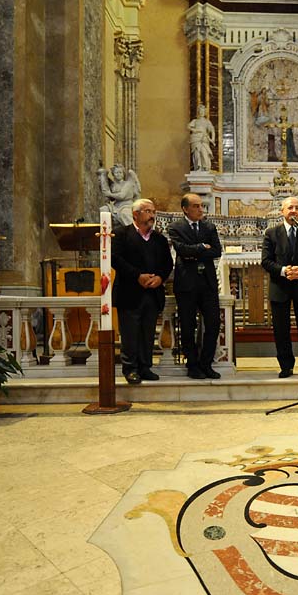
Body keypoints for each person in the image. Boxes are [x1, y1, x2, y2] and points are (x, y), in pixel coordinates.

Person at [111, 198, 173, 385]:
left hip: (152, 293)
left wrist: (160, 277)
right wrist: (137, 275)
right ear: (135, 214)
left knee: (147, 332)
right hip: (129, 292)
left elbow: (167, 263)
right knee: (130, 333)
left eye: (153, 211)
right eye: (147, 211)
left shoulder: (159, 239)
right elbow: (115, 259)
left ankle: (145, 367)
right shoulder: (121, 234)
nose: (152, 215)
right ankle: (130, 369)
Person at [261, 196, 298, 378]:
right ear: (282, 211)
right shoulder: (271, 233)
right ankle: (286, 366)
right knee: (281, 328)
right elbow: (265, 261)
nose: (293, 211)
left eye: (296, 208)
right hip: (280, 287)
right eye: (289, 208)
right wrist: (283, 271)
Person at [168, 193, 222, 380]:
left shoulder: (209, 226)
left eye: (201, 206)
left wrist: (194, 252)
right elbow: (181, 250)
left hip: (207, 283)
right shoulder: (176, 227)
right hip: (186, 283)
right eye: (196, 206)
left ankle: (206, 363)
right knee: (188, 326)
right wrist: (201, 248)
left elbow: (217, 251)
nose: (201, 209)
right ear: (185, 209)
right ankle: (192, 364)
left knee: (214, 324)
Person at [189, 105, 215, 171]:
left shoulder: (207, 122)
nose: (201, 113)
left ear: (205, 112)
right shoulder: (195, 121)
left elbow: (212, 130)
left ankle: (205, 166)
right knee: (197, 153)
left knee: (204, 152)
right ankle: (198, 167)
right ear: (198, 112)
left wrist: (212, 139)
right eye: (200, 111)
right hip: (195, 138)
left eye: (202, 111)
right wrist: (195, 130)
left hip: (204, 139)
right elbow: (188, 126)